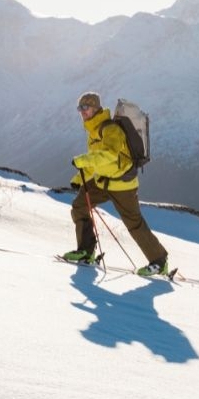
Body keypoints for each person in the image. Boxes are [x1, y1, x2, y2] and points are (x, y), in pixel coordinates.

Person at [61, 91, 170, 276]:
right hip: (103, 181)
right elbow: (96, 162)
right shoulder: (93, 131)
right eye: (80, 108)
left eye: (86, 107)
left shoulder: (110, 129)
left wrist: (84, 160)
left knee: (134, 223)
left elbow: (110, 155)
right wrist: (78, 179)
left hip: (122, 185)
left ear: (95, 108)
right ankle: (86, 251)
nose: (82, 112)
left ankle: (159, 261)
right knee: (79, 206)